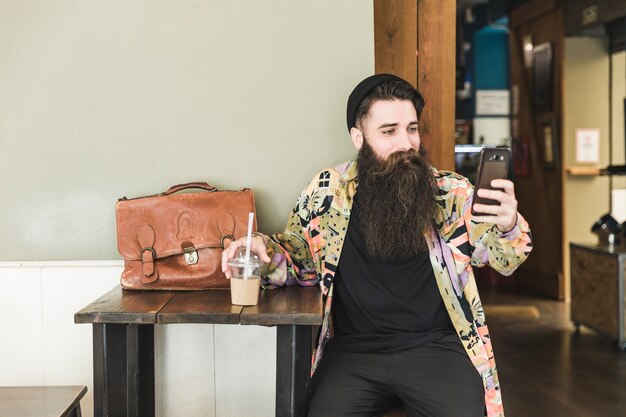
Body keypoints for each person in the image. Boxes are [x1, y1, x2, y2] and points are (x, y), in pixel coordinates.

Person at [222, 74, 532, 417]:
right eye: (389, 131)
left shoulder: (451, 193)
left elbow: (506, 259)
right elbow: (300, 257)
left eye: (411, 128)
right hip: (353, 354)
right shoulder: (328, 191)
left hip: (436, 349)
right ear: (359, 137)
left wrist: (508, 225)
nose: (406, 143)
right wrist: (260, 252)